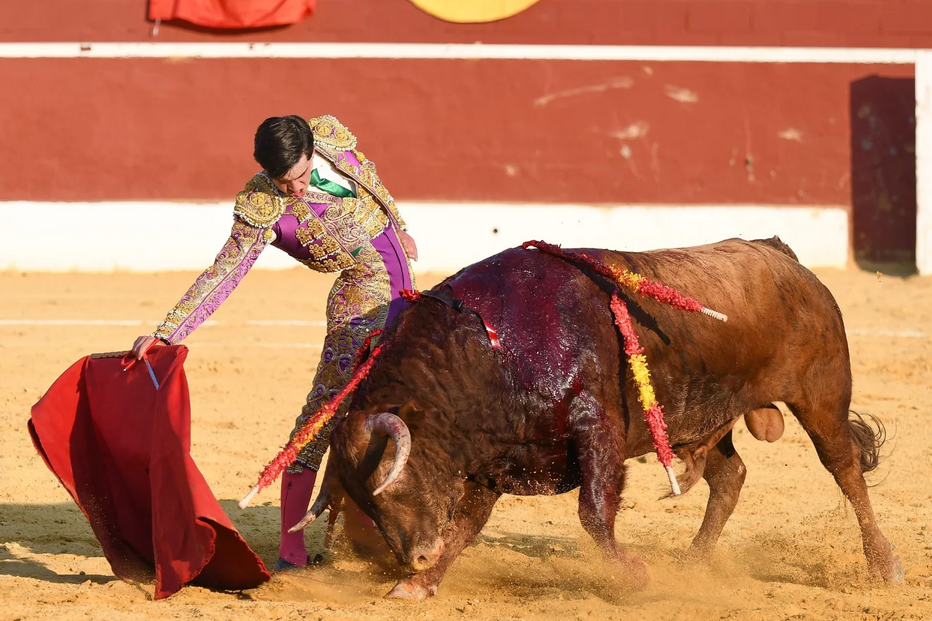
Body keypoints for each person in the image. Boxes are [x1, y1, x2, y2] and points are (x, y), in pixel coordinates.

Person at [131, 114, 417, 571]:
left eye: (301, 176)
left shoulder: (331, 138)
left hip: (407, 300)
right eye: (283, 182)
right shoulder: (262, 206)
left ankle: (370, 531)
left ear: (312, 151)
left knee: (399, 407)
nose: (296, 190)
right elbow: (223, 272)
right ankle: (291, 552)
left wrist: (397, 224)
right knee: (322, 418)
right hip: (358, 307)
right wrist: (169, 331)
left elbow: (371, 179)